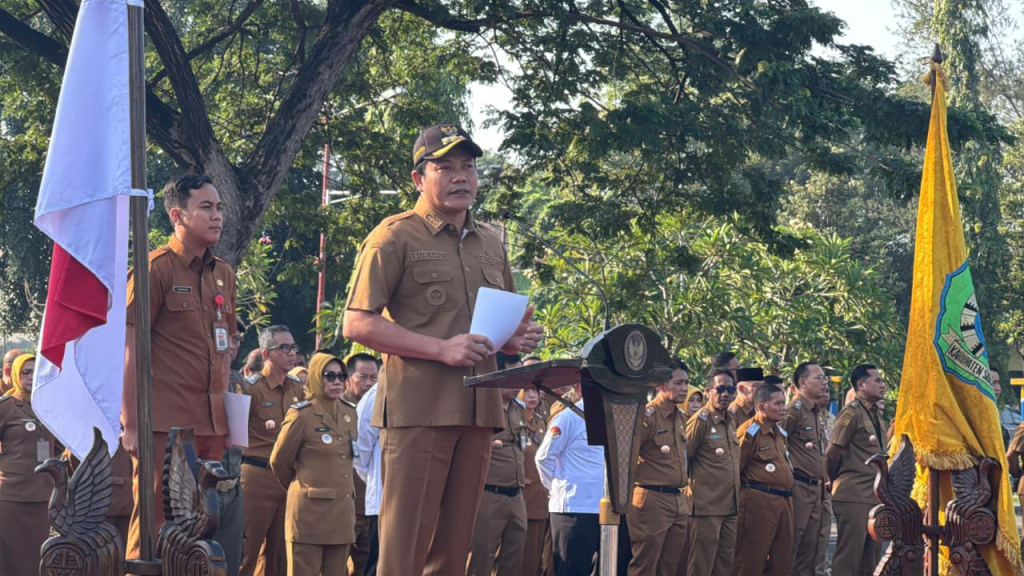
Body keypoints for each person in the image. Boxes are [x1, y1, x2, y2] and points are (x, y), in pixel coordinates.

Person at [342, 123, 543, 576]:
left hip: (478, 414)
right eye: (446, 167)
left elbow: (500, 326)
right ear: (419, 178)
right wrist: (440, 349)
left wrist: (512, 341)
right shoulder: (394, 237)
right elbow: (356, 322)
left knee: (455, 555)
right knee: (404, 553)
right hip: (418, 413)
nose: (461, 177)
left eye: (469, 167)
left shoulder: (492, 243)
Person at [122, 174, 238, 561]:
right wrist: (133, 423)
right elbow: (130, 350)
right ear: (177, 214)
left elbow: (227, 347)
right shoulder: (155, 269)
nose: (217, 216)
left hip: (213, 425)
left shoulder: (224, 273)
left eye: (219, 207)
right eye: (206, 207)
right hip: (165, 428)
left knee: (201, 525)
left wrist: (233, 419)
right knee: (156, 524)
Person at [270, 352, 358, 576]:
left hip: (341, 515)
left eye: (342, 376)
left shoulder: (350, 413)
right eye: (330, 376)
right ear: (318, 378)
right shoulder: (302, 415)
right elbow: (279, 460)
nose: (337, 381)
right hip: (309, 515)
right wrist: (299, 485)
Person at [241, 325, 304, 576]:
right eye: (284, 348)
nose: (292, 354)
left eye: (293, 347)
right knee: (247, 553)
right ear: (267, 354)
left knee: (280, 557)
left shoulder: (298, 388)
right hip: (256, 476)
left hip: (288, 479)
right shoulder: (251, 389)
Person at [626, 361, 691, 576]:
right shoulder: (647, 416)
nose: (684, 388)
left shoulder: (680, 417)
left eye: (686, 383)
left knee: (670, 566)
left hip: (678, 499)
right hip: (652, 499)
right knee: (645, 564)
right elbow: (628, 458)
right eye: (678, 383)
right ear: (661, 385)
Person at [536, 383, 603, 576]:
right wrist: (556, 487)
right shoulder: (568, 418)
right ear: (578, 387)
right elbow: (543, 458)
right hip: (573, 509)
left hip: (604, 507)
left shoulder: (609, 417)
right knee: (572, 570)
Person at [826, 365, 887, 576]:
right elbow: (833, 452)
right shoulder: (851, 413)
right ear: (861, 385)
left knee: (871, 558)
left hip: (874, 495)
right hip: (853, 494)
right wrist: (834, 479)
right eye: (877, 381)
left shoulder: (876, 416)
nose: (883, 385)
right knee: (850, 556)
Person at [0, 354, 58, 575]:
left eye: (36, 372)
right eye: (26, 372)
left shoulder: (48, 406)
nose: (31, 377)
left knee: (37, 559)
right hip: (11, 496)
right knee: (9, 559)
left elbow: (59, 444)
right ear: (15, 374)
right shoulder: (5, 407)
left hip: (42, 495)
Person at [467, 385, 530, 576]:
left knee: (514, 553)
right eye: (511, 379)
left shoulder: (518, 408)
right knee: (481, 554)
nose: (516, 386)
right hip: (489, 493)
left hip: (517, 493)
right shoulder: (484, 408)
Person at [685, 368, 741, 576]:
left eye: (730, 389)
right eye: (721, 389)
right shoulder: (701, 420)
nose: (726, 394)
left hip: (730, 507)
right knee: (701, 565)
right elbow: (683, 458)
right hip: (706, 508)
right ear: (709, 391)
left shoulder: (729, 420)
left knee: (724, 565)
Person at [735, 384, 794, 576]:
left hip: (784, 501)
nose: (782, 408)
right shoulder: (749, 432)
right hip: (759, 500)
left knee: (781, 559)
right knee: (752, 558)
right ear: (760, 407)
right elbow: (737, 469)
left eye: (783, 403)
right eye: (777, 404)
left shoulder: (780, 433)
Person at [343, 352, 379, 576]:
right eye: (362, 377)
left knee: (367, 561)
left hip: (371, 500)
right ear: (348, 378)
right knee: (336, 562)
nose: (368, 383)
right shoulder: (336, 408)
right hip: (345, 502)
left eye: (373, 378)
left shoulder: (379, 402)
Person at [518, 387, 549, 576]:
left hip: (538, 496)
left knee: (533, 556)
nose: (533, 396)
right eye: (527, 390)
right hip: (516, 493)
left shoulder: (541, 422)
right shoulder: (509, 419)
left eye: (536, 391)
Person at [355, 379, 383, 576]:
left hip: (419, 500)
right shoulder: (377, 394)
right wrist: (374, 479)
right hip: (383, 497)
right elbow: (360, 450)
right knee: (378, 565)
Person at [816, 388, 836, 576]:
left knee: (823, 533)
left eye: (828, 390)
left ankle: (821, 571)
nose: (825, 393)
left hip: (826, 484)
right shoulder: (796, 414)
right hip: (806, 485)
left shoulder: (831, 418)